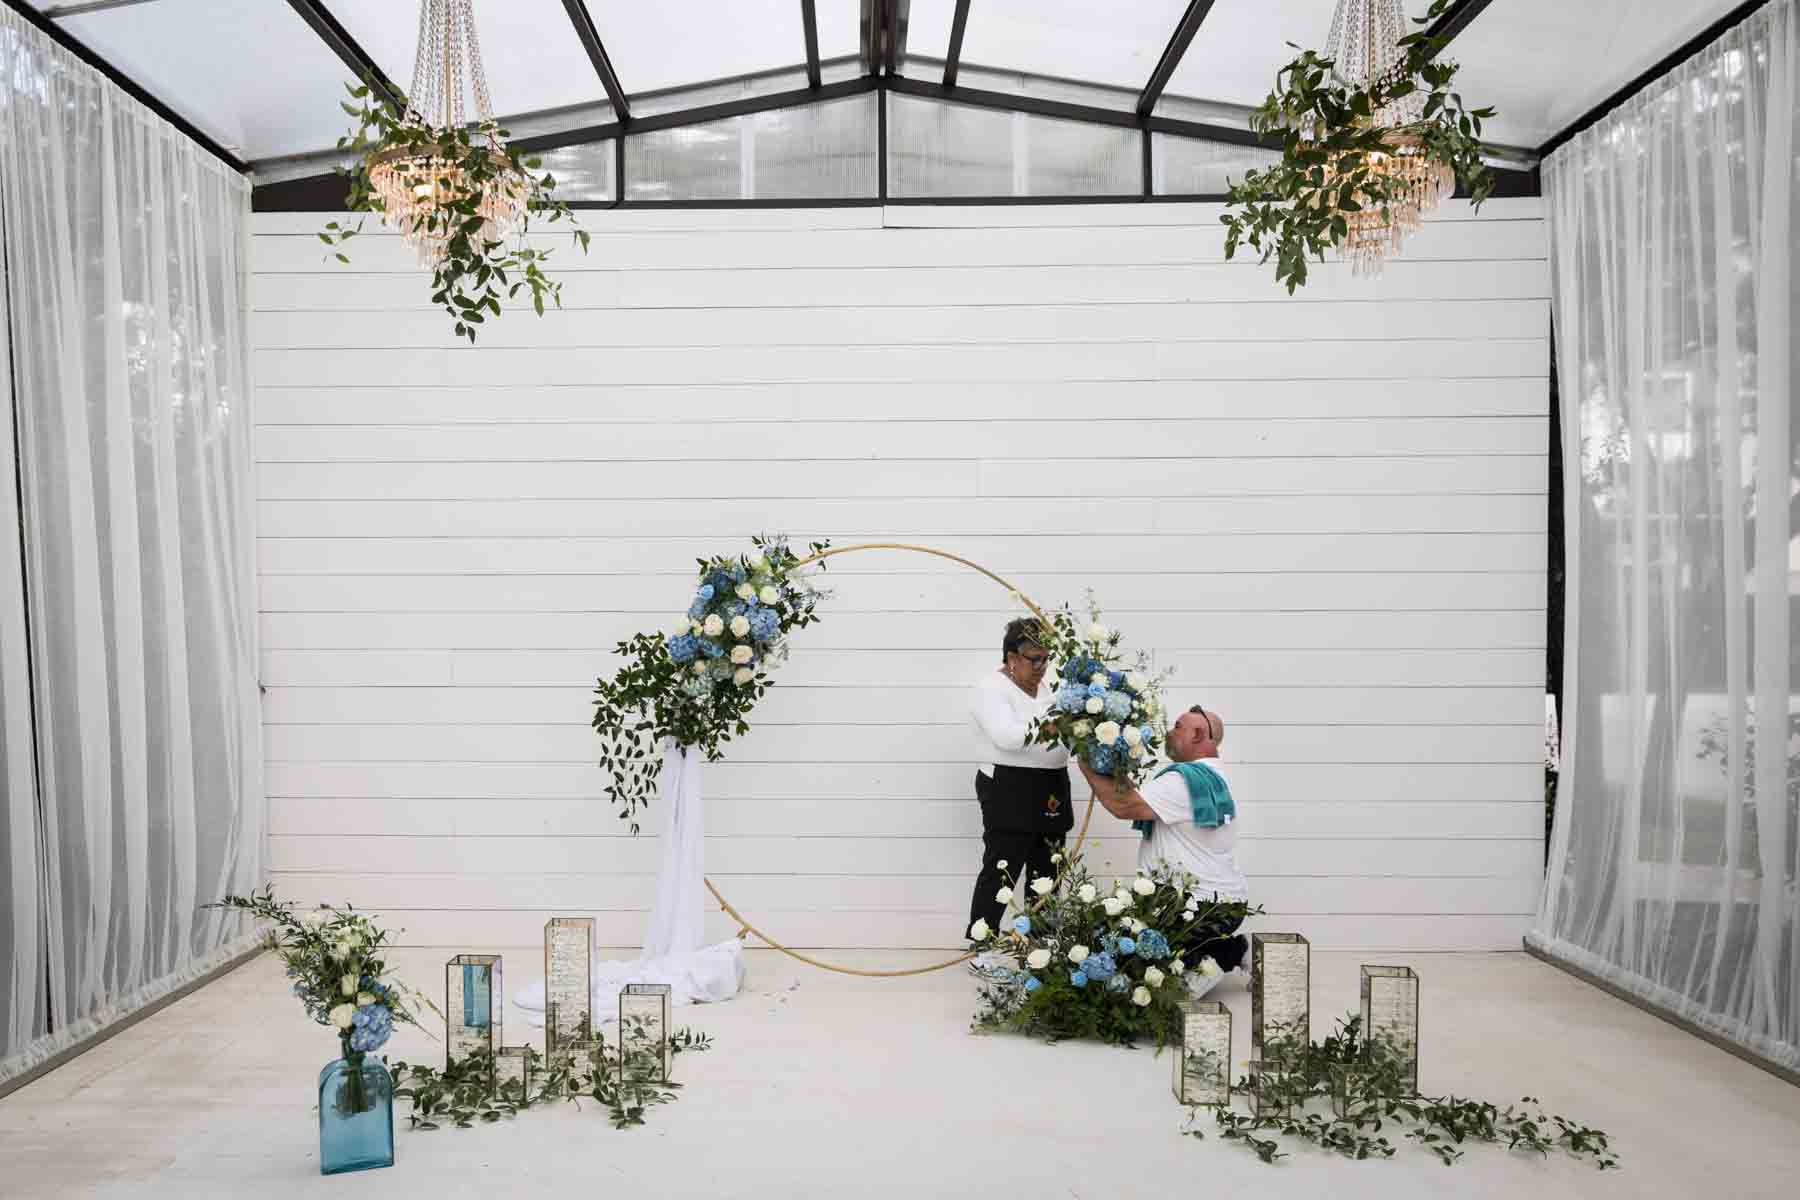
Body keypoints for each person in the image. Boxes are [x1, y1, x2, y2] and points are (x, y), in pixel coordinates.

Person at [1076, 705, 1249, 989]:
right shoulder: (1211, 775)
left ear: (1197, 734)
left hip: (1199, 908)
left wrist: (1085, 762)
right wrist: (1109, 762)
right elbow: (1135, 795)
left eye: (1177, 726)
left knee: (1133, 971)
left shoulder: (1181, 780)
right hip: (1225, 907)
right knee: (1125, 946)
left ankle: (1211, 962)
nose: (1169, 732)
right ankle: (1224, 951)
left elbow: (1124, 804)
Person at [967, 618, 1072, 939]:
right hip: (1007, 785)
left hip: (1052, 785)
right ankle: (981, 945)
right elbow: (1007, 736)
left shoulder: (1049, 687)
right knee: (1003, 867)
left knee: (1048, 866)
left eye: (1046, 658)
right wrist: (1051, 726)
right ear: (1012, 658)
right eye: (1034, 659)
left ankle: (1040, 944)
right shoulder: (990, 688)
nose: (1042, 666)